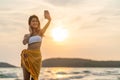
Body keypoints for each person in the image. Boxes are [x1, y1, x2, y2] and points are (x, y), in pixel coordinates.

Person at [21, 10, 51, 80]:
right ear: (30, 23)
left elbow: (48, 24)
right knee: (26, 79)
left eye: (36, 21)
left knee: (35, 78)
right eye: (33, 21)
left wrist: (49, 19)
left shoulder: (40, 33)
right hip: (27, 57)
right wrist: (31, 33)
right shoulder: (27, 35)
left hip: (37, 58)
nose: (35, 22)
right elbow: (24, 42)